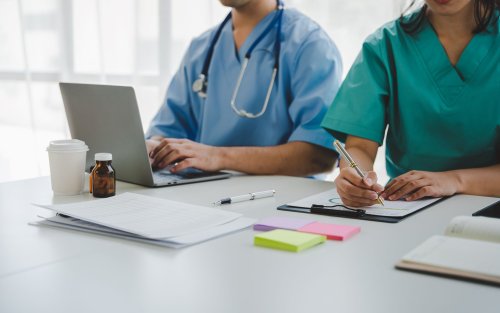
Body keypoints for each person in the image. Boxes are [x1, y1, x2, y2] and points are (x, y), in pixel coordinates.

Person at [322, 0, 500, 207]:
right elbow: (360, 147)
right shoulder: (385, 45)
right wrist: (353, 177)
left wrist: (454, 180)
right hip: (406, 206)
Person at [146, 0, 342, 176]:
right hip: (203, 196)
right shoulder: (202, 47)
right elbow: (169, 129)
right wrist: (153, 149)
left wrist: (219, 157)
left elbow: (319, 156)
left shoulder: (310, 45)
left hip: (280, 202)